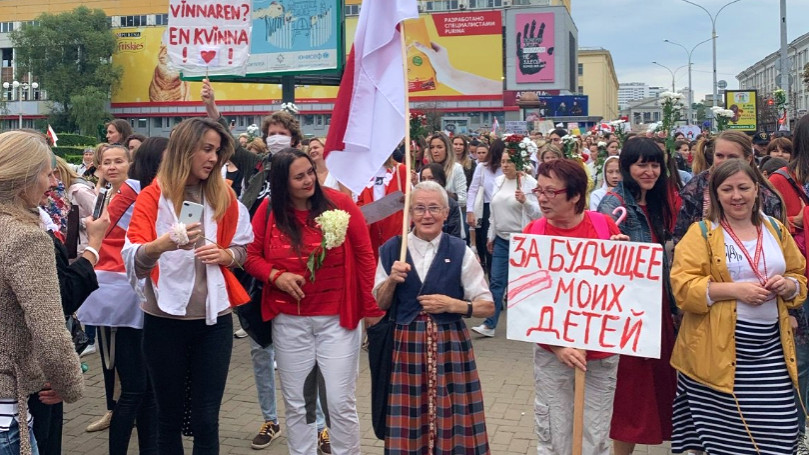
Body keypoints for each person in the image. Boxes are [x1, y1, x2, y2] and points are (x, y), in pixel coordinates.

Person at [123, 117, 254, 453]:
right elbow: (134, 258)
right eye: (206, 149)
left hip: (214, 321)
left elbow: (244, 248)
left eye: (217, 151)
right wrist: (163, 244)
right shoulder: (153, 196)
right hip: (163, 321)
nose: (213, 158)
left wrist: (226, 255)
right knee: (167, 418)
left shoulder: (224, 194)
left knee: (206, 419)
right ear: (185, 150)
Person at [244, 149, 384, 455]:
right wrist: (275, 276)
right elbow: (251, 256)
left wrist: (371, 309)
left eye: (310, 171)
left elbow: (365, 256)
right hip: (289, 322)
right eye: (299, 176)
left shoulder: (341, 204)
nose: (309, 180)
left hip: (338, 319)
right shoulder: (268, 210)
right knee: (298, 402)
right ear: (283, 182)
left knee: (338, 400)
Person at [670, 159, 808, 455]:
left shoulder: (774, 228)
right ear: (715, 194)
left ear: (757, 190)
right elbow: (682, 289)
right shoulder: (702, 232)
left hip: (771, 349)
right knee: (729, 444)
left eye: (744, 187)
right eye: (728, 189)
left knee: (781, 433)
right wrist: (734, 291)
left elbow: (798, 275)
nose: (737, 196)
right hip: (718, 352)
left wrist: (789, 286)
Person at [374, 180, 494, 453]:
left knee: (453, 414)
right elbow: (380, 303)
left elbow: (487, 306)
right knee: (409, 415)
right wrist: (392, 280)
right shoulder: (392, 249)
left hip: (451, 345)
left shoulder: (459, 250)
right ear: (409, 214)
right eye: (419, 209)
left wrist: (454, 305)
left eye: (433, 208)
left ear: (445, 213)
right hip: (405, 345)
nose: (426, 215)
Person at [526, 159, 629, 455]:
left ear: (574, 196)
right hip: (552, 354)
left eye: (551, 192)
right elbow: (526, 302)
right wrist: (557, 346)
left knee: (594, 436)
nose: (542, 198)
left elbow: (621, 293)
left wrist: (624, 258)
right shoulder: (534, 233)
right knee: (554, 434)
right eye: (539, 190)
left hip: (600, 354)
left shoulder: (602, 225)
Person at [78, 139, 167, 455]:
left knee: (143, 389)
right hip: (122, 292)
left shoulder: (138, 192)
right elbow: (99, 233)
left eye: (119, 160)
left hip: (130, 290)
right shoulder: (129, 193)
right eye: (106, 161)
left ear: (132, 164)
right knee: (135, 388)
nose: (111, 166)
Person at [0, 131, 86, 455]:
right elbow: (50, 333)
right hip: (8, 412)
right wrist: (69, 383)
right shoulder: (27, 239)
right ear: (22, 179)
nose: (51, 182)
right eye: (44, 172)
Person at [597, 138, 678, 455]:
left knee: (659, 386)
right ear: (627, 167)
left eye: (655, 163)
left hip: (659, 307)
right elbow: (601, 258)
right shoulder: (613, 204)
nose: (649, 171)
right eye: (641, 164)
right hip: (631, 311)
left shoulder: (659, 202)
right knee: (633, 392)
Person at [471, 150, 539, 338]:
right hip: (501, 239)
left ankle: (528, 324)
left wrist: (526, 202)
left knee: (522, 285)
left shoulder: (530, 184)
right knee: (496, 282)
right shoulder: (499, 181)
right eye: (502, 161)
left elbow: (539, 214)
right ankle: (489, 324)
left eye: (509, 161)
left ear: (518, 161)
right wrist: (491, 236)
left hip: (521, 241)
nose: (505, 165)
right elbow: (493, 211)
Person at [674, 131, 785, 245]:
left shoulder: (766, 196)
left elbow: (779, 242)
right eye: (719, 156)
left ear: (748, 159)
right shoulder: (696, 188)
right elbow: (681, 237)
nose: (725, 162)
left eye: (732, 157)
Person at [357, 155, 410, 259]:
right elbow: (360, 201)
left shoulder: (400, 170)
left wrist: (407, 198)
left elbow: (410, 199)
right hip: (372, 234)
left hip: (395, 231)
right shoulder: (364, 173)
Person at [466, 139, 504, 273]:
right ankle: (489, 269)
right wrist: (470, 210)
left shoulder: (508, 168)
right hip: (487, 208)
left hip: (504, 208)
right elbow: (473, 189)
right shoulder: (482, 167)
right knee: (487, 241)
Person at [420, 163, 461, 238]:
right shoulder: (417, 203)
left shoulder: (451, 204)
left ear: (440, 180)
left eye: (431, 178)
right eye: (423, 179)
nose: (426, 182)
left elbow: (454, 233)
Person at [427, 132, 467, 208]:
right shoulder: (427, 169)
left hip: (450, 216)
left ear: (447, 149)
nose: (435, 151)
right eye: (432, 147)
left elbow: (463, 200)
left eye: (439, 147)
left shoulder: (456, 168)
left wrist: (444, 194)